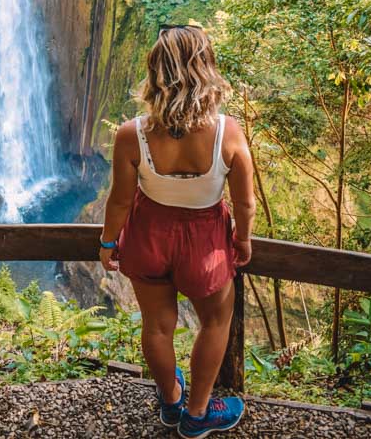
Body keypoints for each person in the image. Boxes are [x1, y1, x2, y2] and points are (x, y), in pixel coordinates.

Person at [99, 24, 255, 438]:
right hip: (205, 243)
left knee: (157, 325)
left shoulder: (134, 134)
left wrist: (108, 242)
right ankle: (198, 414)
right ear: (206, 69)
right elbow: (245, 203)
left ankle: (170, 400)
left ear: (156, 72)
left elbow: (119, 200)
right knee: (216, 321)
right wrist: (242, 239)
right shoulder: (228, 132)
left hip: (148, 236)